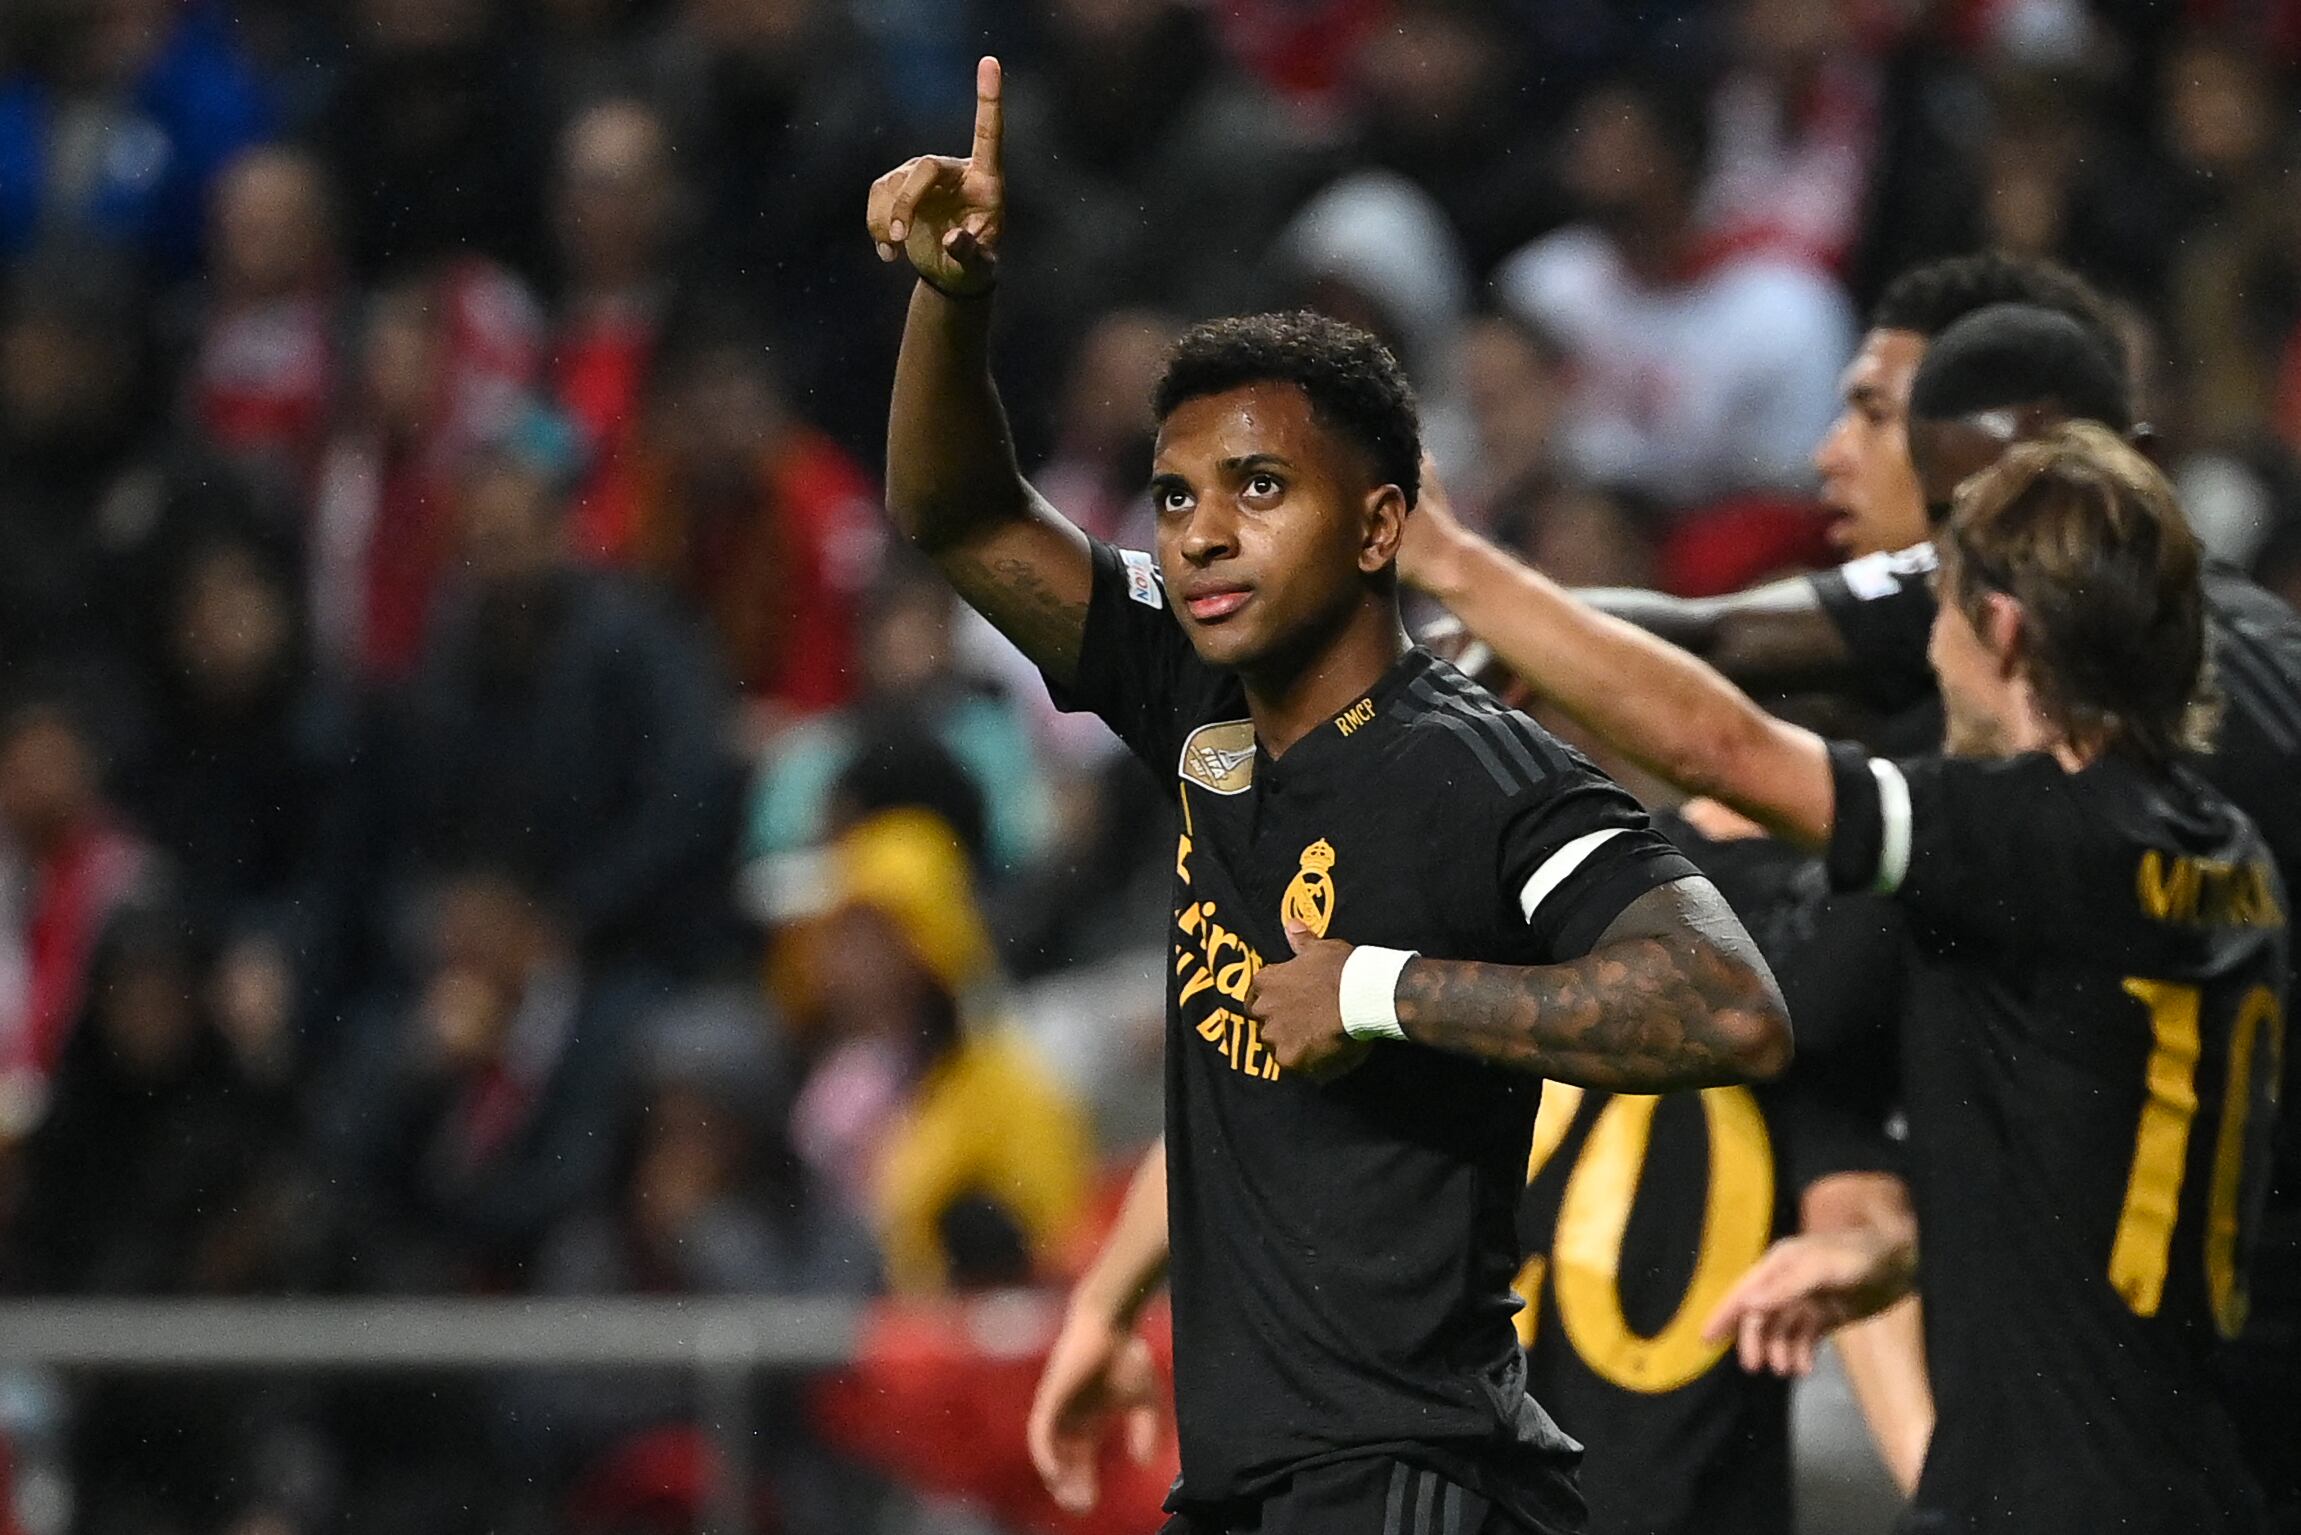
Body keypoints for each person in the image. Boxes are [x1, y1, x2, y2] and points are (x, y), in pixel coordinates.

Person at [867, 58, 1791, 1534]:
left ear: (1378, 525)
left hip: (1411, 1480)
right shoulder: (1187, 689)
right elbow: (958, 509)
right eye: (1175, 497)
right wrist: (955, 296)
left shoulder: (1469, 762)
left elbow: (1723, 1001)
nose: (1204, 533)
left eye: (1257, 488)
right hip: (1246, 1481)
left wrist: (1381, 985)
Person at [1416, 419, 2283, 1532]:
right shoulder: (2231, 856)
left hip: (2050, 1494)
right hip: (2199, 1471)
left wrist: (1453, 562)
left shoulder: (2028, 838)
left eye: (1942, 616)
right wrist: (1886, 1243)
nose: (1925, 654)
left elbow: (1725, 747)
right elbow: (2080, 1144)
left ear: (2005, 631)